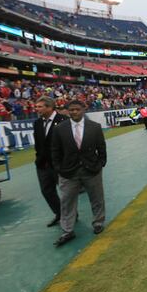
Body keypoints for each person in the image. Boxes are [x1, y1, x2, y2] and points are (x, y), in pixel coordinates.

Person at [51, 100, 107, 246]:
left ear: (83, 109)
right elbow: (55, 151)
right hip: (68, 172)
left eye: (77, 109)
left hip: (92, 169)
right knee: (67, 201)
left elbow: (101, 147)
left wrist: (101, 163)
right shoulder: (59, 129)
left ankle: (98, 222)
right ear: (67, 111)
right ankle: (67, 230)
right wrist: (59, 168)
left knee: (97, 198)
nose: (74, 112)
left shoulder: (95, 127)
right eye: (71, 110)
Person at [33, 96, 68, 227]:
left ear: (49, 107)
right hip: (42, 165)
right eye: (36, 106)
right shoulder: (37, 123)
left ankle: (71, 215)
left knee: (66, 192)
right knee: (47, 191)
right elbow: (38, 144)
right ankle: (59, 214)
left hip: (60, 164)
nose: (37, 109)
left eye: (39, 106)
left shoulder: (64, 120)